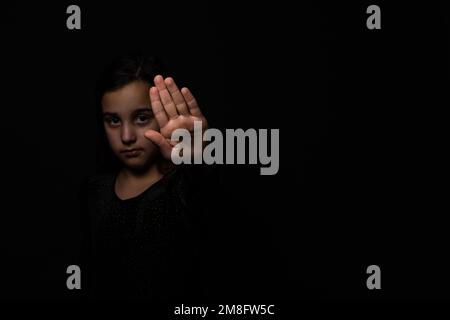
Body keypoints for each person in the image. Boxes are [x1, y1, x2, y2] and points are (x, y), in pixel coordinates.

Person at [81, 54, 214, 300]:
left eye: (142, 118)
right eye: (113, 120)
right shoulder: (93, 191)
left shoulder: (184, 188)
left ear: (163, 113)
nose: (127, 136)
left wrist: (197, 160)